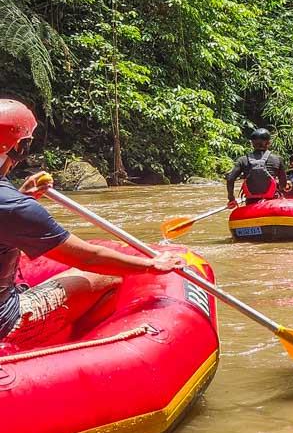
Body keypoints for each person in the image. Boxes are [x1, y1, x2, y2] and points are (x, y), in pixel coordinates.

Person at [0, 98, 180, 350]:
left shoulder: (13, 203)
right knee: (109, 279)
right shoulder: (14, 207)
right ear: (15, 147)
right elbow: (90, 258)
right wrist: (152, 264)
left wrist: (24, 195)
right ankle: (78, 349)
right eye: (24, 145)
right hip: (5, 322)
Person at [226, 128, 286, 207]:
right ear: (269, 143)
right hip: (272, 201)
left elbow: (230, 179)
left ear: (252, 143)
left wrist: (231, 198)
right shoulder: (277, 159)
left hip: (251, 202)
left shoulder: (243, 160)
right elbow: (283, 183)